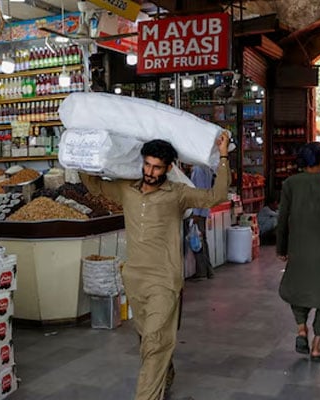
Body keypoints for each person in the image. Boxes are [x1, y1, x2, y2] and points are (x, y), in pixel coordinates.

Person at [81, 134, 230, 400]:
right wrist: (82, 150)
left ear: (169, 168)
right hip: (134, 278)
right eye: (147, 165)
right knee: (148, 338)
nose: (150, 172)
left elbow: (216, 196)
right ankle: (166, 371)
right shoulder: (126, 188)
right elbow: (94, 186)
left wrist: (223, 156)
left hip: (164, 279)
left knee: (153, 340)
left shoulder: (178, 194)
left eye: (157, 167)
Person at [276, 142, 320, 362]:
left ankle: (301, 329)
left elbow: (282, 219)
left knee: (297, 288)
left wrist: (281, 247)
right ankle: (317, 346)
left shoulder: (290, 184)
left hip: (298, 248)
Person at [189, 165, 214, 280]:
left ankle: (202, 272)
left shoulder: (198, 170)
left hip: (199, 211)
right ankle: (208, 270)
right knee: (202, 240)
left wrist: (196, 213)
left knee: (197, 241)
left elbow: (199, 192)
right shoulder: (206, 168)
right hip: (203, 210)